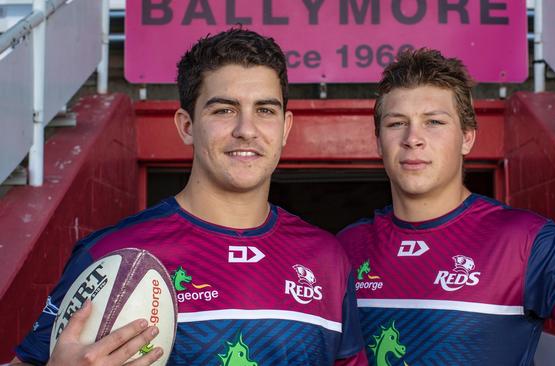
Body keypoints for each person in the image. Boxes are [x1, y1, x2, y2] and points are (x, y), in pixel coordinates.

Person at [12, 28, 367, 365]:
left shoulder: (326, 258)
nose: (246, 130)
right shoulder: (113, 255)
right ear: (186, 126)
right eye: (223, 110)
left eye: (265, 110)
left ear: (285, 127)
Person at [337, 48, 555, 365]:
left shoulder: (527, 242)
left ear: (467, 138)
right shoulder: (345, 248)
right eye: (396, 123)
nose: (412, 138)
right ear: (378, 141)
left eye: (433, 121)